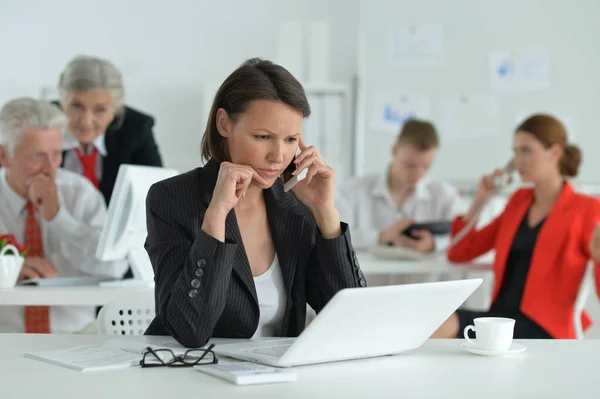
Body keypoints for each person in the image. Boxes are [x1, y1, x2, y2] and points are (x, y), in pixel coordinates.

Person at [143, 58, 365, 348]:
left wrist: (325, 212)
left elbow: (350, 322)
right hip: (195, 379)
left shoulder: (295, 205)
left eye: (290, 140)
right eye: (263, 137)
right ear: (224, 124)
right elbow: (189, 330)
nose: (278, 156)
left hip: (275, 382)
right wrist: (216, 216)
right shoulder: (172, 199)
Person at [433, 114, 600, 339]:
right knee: (431, 322)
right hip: (500, 319)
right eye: (515, 152)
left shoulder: (587, 209)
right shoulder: (518, 202)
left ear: (555, 152)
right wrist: (480, 200)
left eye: (527, 150)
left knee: (440, 325)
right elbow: (459, 252)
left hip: (546, 326)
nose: (518, 161)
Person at [0, 98, 127, 333]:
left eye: (57, 154)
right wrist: (6, 270)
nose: (50, 168)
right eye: (37, 156)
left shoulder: (80, 193)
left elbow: (115, 266)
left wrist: (59, 219)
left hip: (76, 337)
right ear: (3, 156)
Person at [337, 119, 465, 254]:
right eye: (410, 165)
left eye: (426, 166)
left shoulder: (444, 195)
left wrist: (434, 244)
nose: (418, 173)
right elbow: (333, 235)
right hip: (366, 275)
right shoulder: (353, 190)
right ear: (394, 151)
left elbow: (465, 237)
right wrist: (379, 237)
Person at [57, 55, 163, 206]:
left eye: (100, 110)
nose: (86, 121)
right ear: (62, 99)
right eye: (76, 106)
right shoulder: (40, 124)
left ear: (116, 108)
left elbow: (157, 195)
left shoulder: (137, 128)